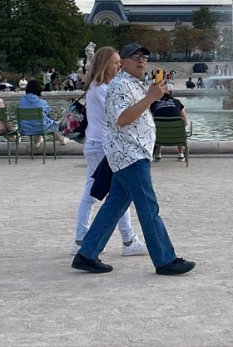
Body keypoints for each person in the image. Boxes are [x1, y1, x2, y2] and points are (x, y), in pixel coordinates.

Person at [71, 42, 195, 275]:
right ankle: (165, 259)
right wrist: (149, 98)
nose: (141, 61)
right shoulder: (119, 86)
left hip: (131, 153)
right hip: (130, 154)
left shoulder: (132, 84)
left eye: (145, 58)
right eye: (135, 57)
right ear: (124, 63)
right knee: (148, 207)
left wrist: (154, 96)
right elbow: (123, 119)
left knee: (114, 206)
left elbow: (136, 113)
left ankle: (87, 253)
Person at [71, 46, 147, 258]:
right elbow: (121, 116)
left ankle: (82, 238)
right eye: (115, 63)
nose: (119, 66)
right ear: (105, 65)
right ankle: (128, 240)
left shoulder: (96, 86)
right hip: (103, 146)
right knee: (118, 193)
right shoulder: (104, 89)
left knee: (94, 193)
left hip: (95, 143)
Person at [17, 80, 72, 146]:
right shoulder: (42, 102)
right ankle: (62, 139)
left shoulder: (21, 101)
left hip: (24, 129)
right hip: (40, 128)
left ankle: (37, 142)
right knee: (49, 124)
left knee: (37, 122)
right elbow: (48, 114)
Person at [150, 85, 187, 161]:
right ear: (171, 93)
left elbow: (150, 120)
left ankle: (158, 153)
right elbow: (185, 122)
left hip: (160, 137)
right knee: (180, 125)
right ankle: (180, 154)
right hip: (177, 136)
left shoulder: (154, 104)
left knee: (157, 126)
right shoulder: (177, 102)